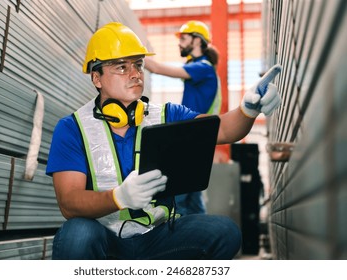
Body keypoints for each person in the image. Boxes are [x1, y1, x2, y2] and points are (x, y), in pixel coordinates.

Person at [46, 22, 281, 260]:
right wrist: (118, 197)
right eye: (121, 67)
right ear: (97, 78)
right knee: (76, 234)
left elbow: (223, 130)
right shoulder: (73, 127)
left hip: (156, 236)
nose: (136, 74)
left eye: (138, 64)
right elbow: (69, 202)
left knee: (224, 231)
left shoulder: (166, 114)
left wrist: (248, 109)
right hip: (106, 240)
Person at [144, 20, 221, 216]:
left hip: (191, 139)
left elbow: (158, 69)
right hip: (195, 138)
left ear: (197, 41)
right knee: (192, 200)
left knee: (174, 198)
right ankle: (204, 241)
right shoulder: (197, 66)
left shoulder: (203, 67)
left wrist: (134, 56)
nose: (179, 43)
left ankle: (183, 240)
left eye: (184, 38)